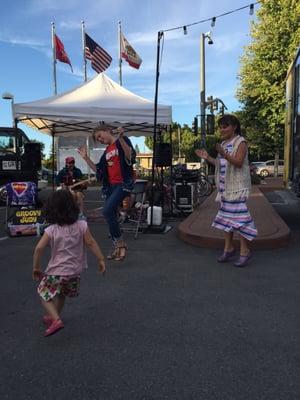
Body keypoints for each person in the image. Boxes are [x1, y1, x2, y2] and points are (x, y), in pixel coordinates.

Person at [32, 190, 106, 337]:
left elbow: (39, 248)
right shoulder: (82, 225)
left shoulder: (51, 229)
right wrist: (101, 259)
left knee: (43, 293)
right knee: (61, 294)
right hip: (74, 272)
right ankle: (53, 316)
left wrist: (36, 267)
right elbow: (90, 243)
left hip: (56, 271)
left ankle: (56, 319)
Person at [195, 114, 257, 267]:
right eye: (220, 127)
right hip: (224, 188)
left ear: (234, 127)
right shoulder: (224, 143)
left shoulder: (240, 142)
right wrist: (208, 157)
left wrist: (223, 153)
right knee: (227, 219)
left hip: (237, 188)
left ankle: (244, 251)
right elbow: (219, 164)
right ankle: (228, 248)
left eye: (225, 126)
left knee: (240, 219)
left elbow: (237, 162)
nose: (222, 130)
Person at [78, 126, 136, 261]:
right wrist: (85, 158)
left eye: (99, 135)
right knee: (111, 215)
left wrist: (121, 137)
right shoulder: (106, 152)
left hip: (123, 183)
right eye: (98, 139)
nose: (100, 139)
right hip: (110, 187)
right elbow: (98, 170)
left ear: (107, 130)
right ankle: (117, 247)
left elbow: (130, 156)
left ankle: (121, 244)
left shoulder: (122, 140)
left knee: (107, 210)